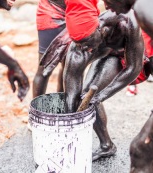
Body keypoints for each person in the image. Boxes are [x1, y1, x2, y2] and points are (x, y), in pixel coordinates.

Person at [40, 9, 144, 161]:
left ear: (101, 30)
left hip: (123, 54)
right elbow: (71, 92)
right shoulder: (78, 47)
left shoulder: (128, 24)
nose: (84, 49)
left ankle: (107, 146)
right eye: (81, 45)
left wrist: (102, 95)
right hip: (102, 48)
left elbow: (134, 68)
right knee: (84, 96)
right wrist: (70, 130)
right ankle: (106, 145)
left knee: (92, 95)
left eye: (87, 45)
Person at [32, 0, 66, 98]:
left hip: (74, 13)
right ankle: (37, 111)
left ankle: (62, 105)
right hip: (51, 13)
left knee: (68, 66)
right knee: (44, 68)